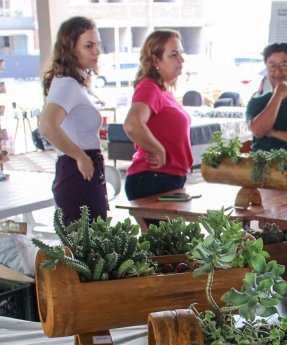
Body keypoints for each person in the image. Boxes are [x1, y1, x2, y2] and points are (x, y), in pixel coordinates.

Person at [39, 16, 107, 227]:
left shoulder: (73, 82)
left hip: (82, 169)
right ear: (70, 49)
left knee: (92, 246)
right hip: (78, 172)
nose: (96, 51)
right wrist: (79, 156)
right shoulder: (67, 83)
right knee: (86, 249)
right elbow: (47, 125)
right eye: (88, 46)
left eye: (97, 45)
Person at [123, 30, 192, 202]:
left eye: (181, 53)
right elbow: (132, 124)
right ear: (155, 60)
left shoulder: (163, 90)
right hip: (153, 178)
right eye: (173, 54)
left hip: (167, 178)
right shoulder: (149, 87)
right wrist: (158, 150)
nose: (181, 59)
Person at [245, 43, 287, 153]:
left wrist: (274, 133)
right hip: (261, 164)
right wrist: (278, 95)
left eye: (284, 65)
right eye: (272, 65)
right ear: (266, 71)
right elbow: (258, 131)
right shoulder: (256, 102)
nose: (278, 71)